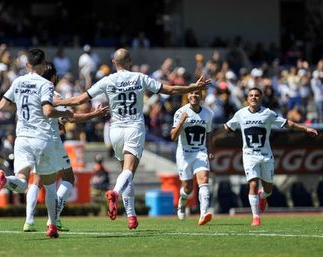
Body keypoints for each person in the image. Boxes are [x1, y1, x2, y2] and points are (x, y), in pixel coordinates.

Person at [54, 48, 210, 229]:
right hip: (134, 127)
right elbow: (170, 89)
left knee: (125, 172)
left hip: (115, 130)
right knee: (128, 171)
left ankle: (131, 216)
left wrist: (58, 103)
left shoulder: (107, 80)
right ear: (129, 62)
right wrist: (194, 87)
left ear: (114, 62)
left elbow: (80, 100)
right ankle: (114, 193)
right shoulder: (139, 77)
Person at [0, 49, 73, 238]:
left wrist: (20, 105)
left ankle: (5, 180)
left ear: (27, 64)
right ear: (43, 65)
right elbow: (47, 112)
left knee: (21, 180)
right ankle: (52, 225)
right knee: (50, 186)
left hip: (22, 138)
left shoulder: (18, 81)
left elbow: (2, 105)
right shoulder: (45, 84)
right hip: (41, 138)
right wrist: (64, 114)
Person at [23, 62, 108, 233]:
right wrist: (94, 114)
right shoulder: (50, 92)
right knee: (68, 178)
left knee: (37, 180)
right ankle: (53, 218)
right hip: (50, 141)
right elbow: (71, 117)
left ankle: (29, 221)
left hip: (30, 138)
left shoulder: (29, 90)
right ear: (53, 77)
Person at [223, 87, 318, 226]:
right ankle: (256, 217)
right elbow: (226, 127)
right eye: (251, 95)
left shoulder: (268, 113)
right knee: (253, 184)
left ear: (260, 98)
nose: (254, 97)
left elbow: (287, 123)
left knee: (268, 190)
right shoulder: (240, 114)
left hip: (266, 155)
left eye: (256, 95)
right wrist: (212, 139)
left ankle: (263, 196)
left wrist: (306, 128)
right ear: (247, 99)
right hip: (249, 155)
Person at [170, 90, 214, 225]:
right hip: (184, 154)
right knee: (188, 189)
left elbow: (209, 133)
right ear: (187, 96)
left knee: (204, 180)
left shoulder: (208, 113)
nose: (194, 95)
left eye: (197, 93)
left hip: (200, 152)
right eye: (191, 93)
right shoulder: (180, 112)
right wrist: (181, 122)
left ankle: (203, 214)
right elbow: (173, 136)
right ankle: (182, 202)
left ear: (201, 96)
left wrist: (209, 150)